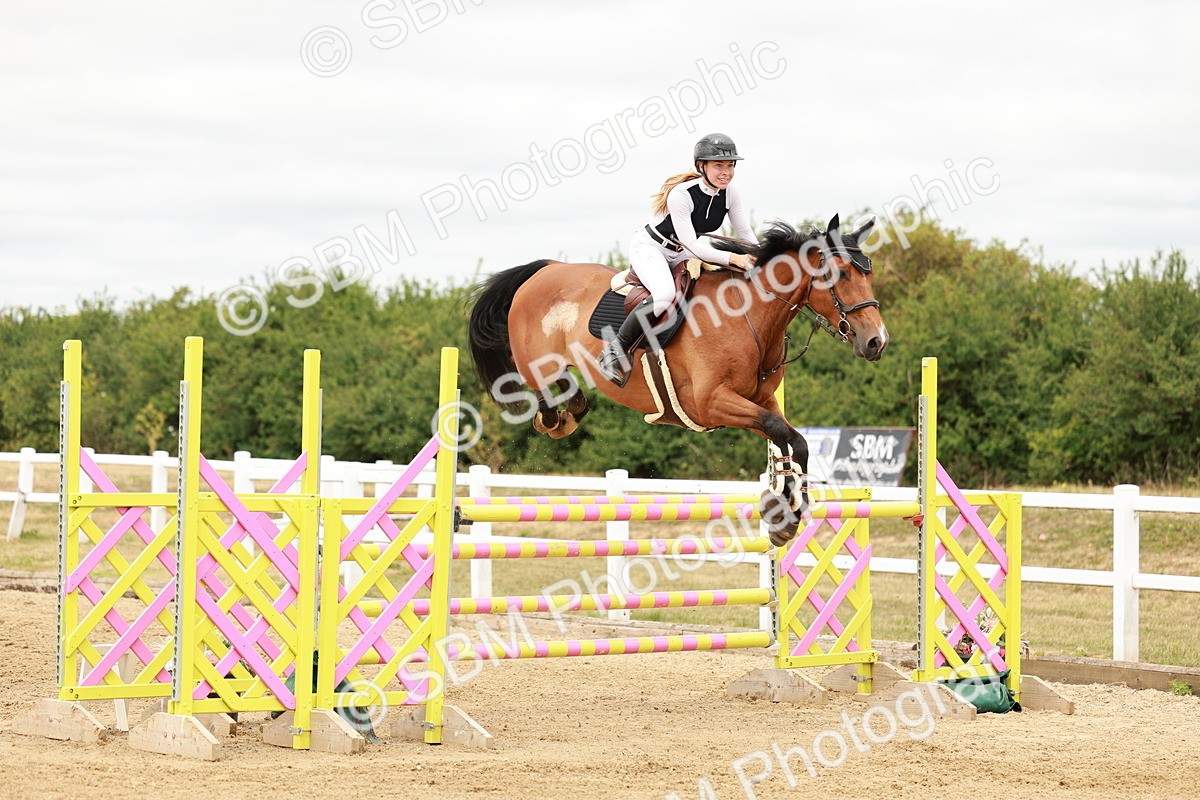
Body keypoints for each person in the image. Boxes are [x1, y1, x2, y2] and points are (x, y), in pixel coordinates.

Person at [597, 132, 756, 385]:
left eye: (730, 165)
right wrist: (733, 259)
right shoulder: (682, 194)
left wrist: (762, 257)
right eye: (718, 165)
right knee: (664, 295)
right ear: (701, 166)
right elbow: (692, 244)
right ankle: (614, 352)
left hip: (682, 251)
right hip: (651, 248)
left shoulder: (731, 193)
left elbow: (745, 234)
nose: (726, 172)